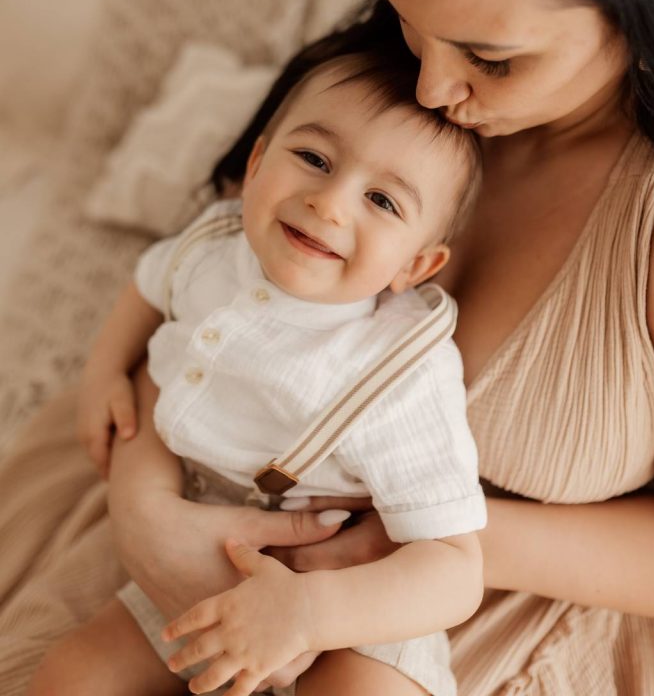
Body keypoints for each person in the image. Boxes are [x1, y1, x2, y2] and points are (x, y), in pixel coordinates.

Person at [2, 0, 654, 693]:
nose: (432, 86)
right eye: (408, 21)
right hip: (193, 518)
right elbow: (221, 293)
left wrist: (433, 547)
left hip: (465, 622)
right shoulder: (376, 98)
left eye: (490, 59)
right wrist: (145, 502)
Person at [29, 51, 487, 696]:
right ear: (255, 165)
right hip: (209, 558)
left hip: (350, 602)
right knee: (71, 677)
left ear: (416, 265)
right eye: (315, 160)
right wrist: (106, 369)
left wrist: (309, 613)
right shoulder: (215, 249)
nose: (329, 204)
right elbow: (149, 283)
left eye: (381, 200)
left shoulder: (400, 368)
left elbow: (456, 570)